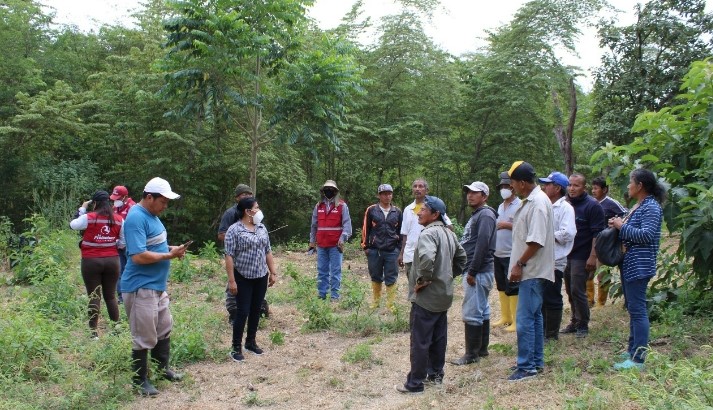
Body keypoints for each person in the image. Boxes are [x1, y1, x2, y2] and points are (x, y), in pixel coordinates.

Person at [121, 177, 187, 396]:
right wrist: (169, 255)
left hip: (156, 286)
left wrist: (171, 249)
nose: (165, 206)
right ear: (149, 197)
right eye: (163, 201)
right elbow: (138, 255)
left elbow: (153, 245)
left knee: (163, 327)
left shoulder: (152, 217)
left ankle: (162, 369)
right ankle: (140, 381)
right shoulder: (136, 218)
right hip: (140, 286)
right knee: (144, 335)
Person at [396, 196, 467, 394]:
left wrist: (423, 281)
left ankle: (415, 384)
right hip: (443, 295)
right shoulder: (449, 233)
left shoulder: (428, 234)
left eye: (423, 210)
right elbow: (462, 258)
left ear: (435, 214)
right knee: (438, 338)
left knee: (420, 340)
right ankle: (435, 375)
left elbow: (427, 259)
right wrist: (447, 275)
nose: (419, 213)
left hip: (426, 297)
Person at [609, 169, 665, 370]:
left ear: (640, 185)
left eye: (630, 182)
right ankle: (632, 349)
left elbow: (646, 235)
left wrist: (621, 226)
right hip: (630, 262)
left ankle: (638, 359)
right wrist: (618, 224)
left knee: (638, 310)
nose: (628, 186)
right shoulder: (640, 205)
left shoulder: (651, 207)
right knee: (633, 308)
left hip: (640, 264)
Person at [506, 161, 555, 382]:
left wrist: (519, 264)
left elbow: (536, 241)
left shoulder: (538, 203)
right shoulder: (533, 200)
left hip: (532, 270)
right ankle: (535, 361)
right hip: (532, 270)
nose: (511, 187)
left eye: (513, 183)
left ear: (523, 183)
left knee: (525, 319)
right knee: (534, 317)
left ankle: (526, 367)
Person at [225, 197, 277, 362]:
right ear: (247, 211)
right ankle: (236, 347)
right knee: (242, 312)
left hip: (261, 276)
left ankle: (251, 342)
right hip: (243, 276)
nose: (259, 210)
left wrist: (273, 272)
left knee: (256, 310)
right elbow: (229, 256)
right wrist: (232, 281)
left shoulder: (261, 228)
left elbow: (268, 251)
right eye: (256, 207)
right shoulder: (234, 230)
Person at [451, 182, 496, 365]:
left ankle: (471, 355)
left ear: (484, 196)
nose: (470, 195)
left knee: (472, 311)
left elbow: (483, 244)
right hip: (478, 270)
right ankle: (482, 350)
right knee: (482, 309)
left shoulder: (485, 215)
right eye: (468, 192)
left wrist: (472, 270)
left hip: (478, 270)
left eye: (475, 193)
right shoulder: (479, 214)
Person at [69, 190, 125, 339]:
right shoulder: (119, 220)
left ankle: (93, 334)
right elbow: (123, 242)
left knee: (94, 296)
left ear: (95, 203)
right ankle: (116, 330)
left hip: (91, 261)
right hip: (112, 261)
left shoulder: (89, 217)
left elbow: (73, 225)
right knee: (111, 296)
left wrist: (82, 209)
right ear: (109, 203)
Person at [561, 173, 605, 338]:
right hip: (567, 254)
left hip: (582, 255)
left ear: (583, 187)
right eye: (570, 185)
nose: (572, 189)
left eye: (576, 185)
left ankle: (583, 324)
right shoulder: (566, 204)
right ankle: (574, 320)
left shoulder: (592, 206)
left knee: (578, 290)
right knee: (569, 290)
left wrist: (593, 256)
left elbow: (597, 234)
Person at [538, 172, 576, 341]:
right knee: (541, 296)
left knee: (552, 295)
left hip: (556, 259)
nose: (544, 187)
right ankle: (543, 331)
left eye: (548, 184)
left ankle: (551, 334)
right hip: (541, 258)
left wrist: (545, 235)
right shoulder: (544, 205)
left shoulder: (565, 208)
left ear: (557, 188)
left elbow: (568, 233)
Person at [361, 183, 403, 310]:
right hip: (375, 250)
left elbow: (401, 231)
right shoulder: (371, 210)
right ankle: (376, 302)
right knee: (375, 275)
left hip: (392, 250)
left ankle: (391, 304)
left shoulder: (397, 212)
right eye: (384, 194)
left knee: (391, 276)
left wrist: (399, 249)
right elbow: (366, 228)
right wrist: (365, 246)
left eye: (389, 193)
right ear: (379, 195)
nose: (387, 196)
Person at [309, 180, 352, 300]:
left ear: (335, 191)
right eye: (326, 189)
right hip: (321, 244)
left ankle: (334, 296)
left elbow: (347, 225)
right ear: (323, 191)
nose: (329, 191)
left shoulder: (342, 206)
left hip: (336, 245)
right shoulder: (318, 206)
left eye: (331, 189)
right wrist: (312, 241)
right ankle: (322, 294)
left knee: (335, 271)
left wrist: (342, 239)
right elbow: (314, 225)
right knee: (322, 270)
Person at [218, 184, 254, 325]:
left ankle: (260, 309)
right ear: (237, 198)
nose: (247, 197)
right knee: (234, 284)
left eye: (249, 194)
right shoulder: (230, 213)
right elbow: (221, 234)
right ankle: (234, 313)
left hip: (252, 256)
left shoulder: (254, 213)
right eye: (244, 194)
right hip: (235, 257)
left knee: (255, 283)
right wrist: (239, 237)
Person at [399, 178, 453, 273]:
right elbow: (405, 234)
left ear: (427, 190)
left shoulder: (434, 207)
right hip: (410, 254)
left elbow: (449, 227)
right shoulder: (408, 209)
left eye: (420, 186)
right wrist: (401, 253)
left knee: (427, 280)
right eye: (415, 186)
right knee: (412, 281)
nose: (417, 189)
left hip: (429, 254)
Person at [590, 176, 627, 307]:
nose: (593, 191)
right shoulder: (591, 203)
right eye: (592, 188)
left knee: (602, 273)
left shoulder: (611, 203)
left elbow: (625, 214)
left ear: (604, 189)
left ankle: (601, 302)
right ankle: (589, 300)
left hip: (606, 244)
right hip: (592, 243)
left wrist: (615, 225)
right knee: (588, 271)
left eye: (596, 188)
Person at [493, 171, 521, 332]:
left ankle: (516, 320)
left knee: (513, 286)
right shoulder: (500, 206)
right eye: (502, 186)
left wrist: (507, 225)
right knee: (501, 285)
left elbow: (524, 228)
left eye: (507, 186)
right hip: (498, 252)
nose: (504, 189)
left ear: (513, 188)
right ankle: (506, 316)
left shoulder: (520, 205)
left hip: (512, 253)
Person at [111, 185, 136, 303]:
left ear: (125, 197)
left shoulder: (133, 208)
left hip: (130, 245)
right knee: (119, 271)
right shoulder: (115, 208)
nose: (116, 201)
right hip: (118, 244)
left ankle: (134, 294)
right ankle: (121, 297)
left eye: (118, 198)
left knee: (131, 270)